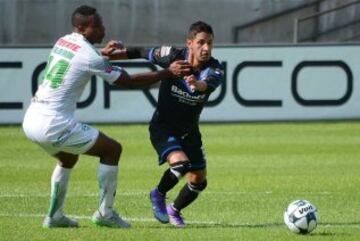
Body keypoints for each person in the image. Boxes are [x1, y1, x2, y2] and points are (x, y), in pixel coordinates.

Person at [22, 5, 191, 229]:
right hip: (53, 124)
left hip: (31, 119)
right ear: (82, 28)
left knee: (68, 158)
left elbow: (83, 59)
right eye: (97, 25)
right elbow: (129, 81)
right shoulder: (89, 56)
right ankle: (105, 213)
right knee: (112, 150)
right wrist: (168, 72)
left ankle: (54, 217)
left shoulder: (63, 41)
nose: (103, 28)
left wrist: (102, 54)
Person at [109, 21, 224, 227]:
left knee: (199, 181)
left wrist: (196, 85)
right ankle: (158, 194)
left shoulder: (215, 68)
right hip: (163, 127)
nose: (206, 48)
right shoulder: (172, 55)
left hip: (189, 131)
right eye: (201, 43)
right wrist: (108, 56)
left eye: (210, 43)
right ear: (189, 43)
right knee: (181, 165)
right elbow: (141, 52)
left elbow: (205, 84)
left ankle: (175, 210)